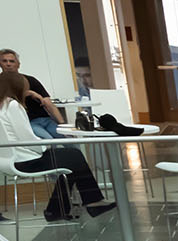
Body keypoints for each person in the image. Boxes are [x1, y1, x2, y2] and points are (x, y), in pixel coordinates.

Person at [0, 73, 112, 221]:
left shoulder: (2, 105)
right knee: (74, 156)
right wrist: (46, 147)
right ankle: (90, 202)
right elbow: (27, 139)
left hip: (9, 160)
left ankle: (59, 209)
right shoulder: (13, 105)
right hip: (26, 160)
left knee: (71, 160)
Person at [0, 49, 64, 140]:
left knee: (67, 138)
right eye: (4, 61)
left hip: (45, 118)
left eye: (12, 61)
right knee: (48, 141)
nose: (8, 64)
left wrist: (62, 124)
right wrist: (25, 94)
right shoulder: (2, 85)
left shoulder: (30, 80)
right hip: (28, 123)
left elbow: (48, 103)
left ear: (18, 64)